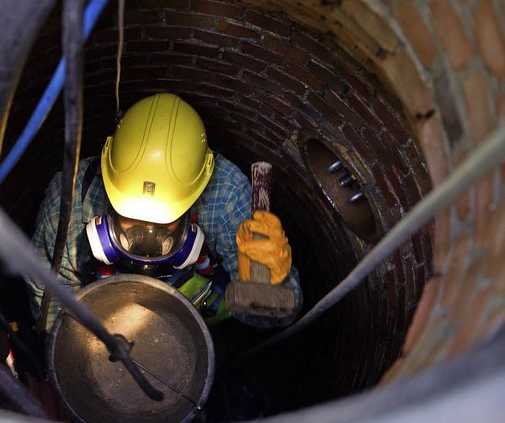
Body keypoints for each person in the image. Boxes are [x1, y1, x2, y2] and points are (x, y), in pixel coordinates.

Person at [27, 93, 302, 331]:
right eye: (130, 215)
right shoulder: (69, 204)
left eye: (165, 221)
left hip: (197, 316)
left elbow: (275, 319)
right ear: (105, 176)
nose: (147, 236)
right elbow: (53, 311)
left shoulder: (226, 196)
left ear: (196, 193)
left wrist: (270, 290)